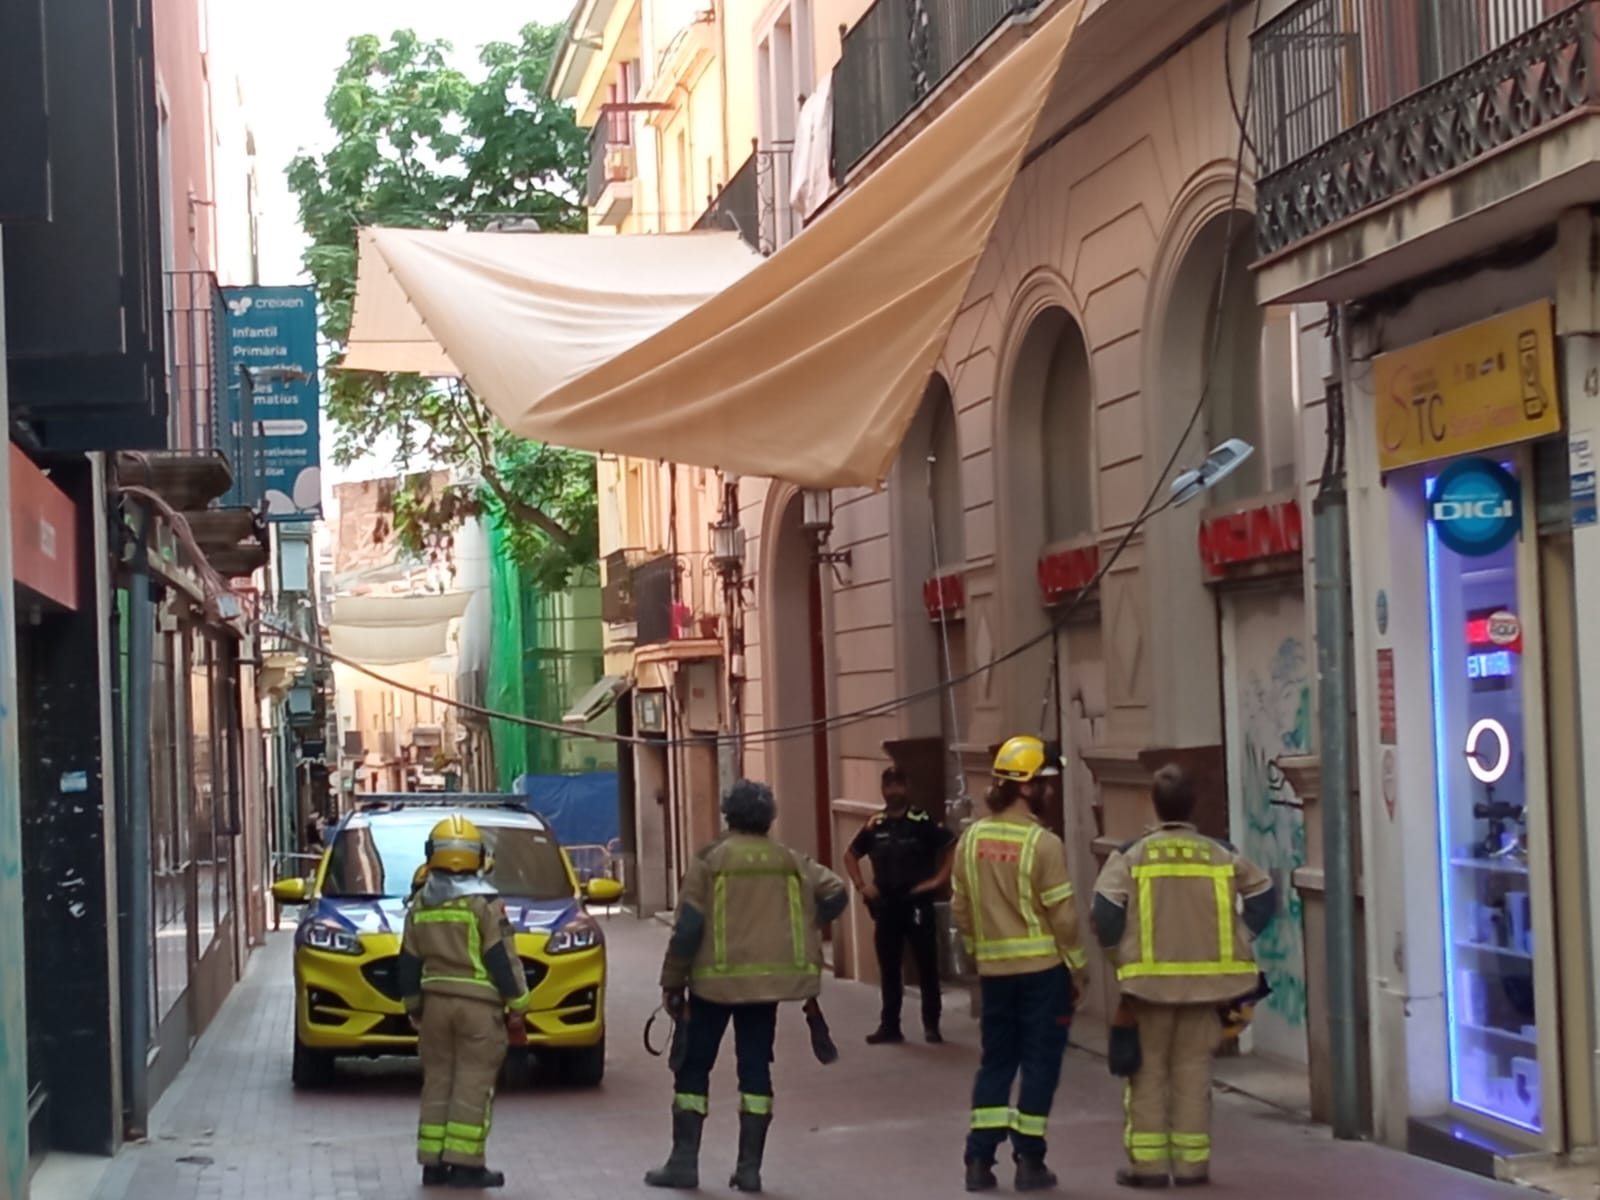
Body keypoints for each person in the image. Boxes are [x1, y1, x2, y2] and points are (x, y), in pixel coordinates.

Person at [646, 779, 849, 1193]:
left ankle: (684, 1162)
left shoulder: (710, 860)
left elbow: (687, 928)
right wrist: (811, 923)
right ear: (768, 817)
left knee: (693, 1068)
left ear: (728, 814)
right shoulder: (790, 860)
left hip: (712, 986)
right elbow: (837, 892)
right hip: (765, 987)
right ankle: (750, 1169)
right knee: (755, 1069)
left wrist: (672, 981)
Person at [1091, 764, 1276, 1189]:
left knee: (1149, 1074)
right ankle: (1193, 1166)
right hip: (1208, 987)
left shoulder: (1132, 853)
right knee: (1193, 1070)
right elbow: (1264, 893)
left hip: (1147, 988)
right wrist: (1241, 937)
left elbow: (1105, 911)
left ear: (1152, 804)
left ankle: (1149, 1168)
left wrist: (1121, 959)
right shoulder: (1220, 852)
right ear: (1193, 804)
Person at [953, 735, 1087, 1194]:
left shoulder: (970, 839)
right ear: (1027, 787)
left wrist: (979, 950)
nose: (1052, 789)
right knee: (1039, 1065)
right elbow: (1064, 918)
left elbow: (961, 910)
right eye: (1047, 781)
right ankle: (1030, 1162)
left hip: (994, 976)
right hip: (1042, 974)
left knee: (996, 1064)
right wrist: (1077, 967)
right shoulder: (1043, 845)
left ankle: (978, 1159)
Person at [397, 814, 531, 1190]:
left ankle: (433, 1163)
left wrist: (413, 1007)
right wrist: (519, 1002)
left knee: (438, 1080)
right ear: (478, 855)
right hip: (477, 1009)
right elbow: (499, 958)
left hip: (434, 1007)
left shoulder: (421, 903)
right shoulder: (484, 903)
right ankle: (467, 1165)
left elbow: (407, 961)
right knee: (473, 1082)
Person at [844, 765, 956, 1044]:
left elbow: (952, 845)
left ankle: (932, 1025)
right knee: (889, 968)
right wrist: (861, 885)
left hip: (917, 902)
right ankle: (890, 1026)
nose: (893, 791)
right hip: (886, 904)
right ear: (883, 789)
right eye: (888, 785)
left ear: (907, 787)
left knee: (926, 965)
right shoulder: (875, 824)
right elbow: (851, 854)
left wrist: (939, 880)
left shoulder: (922, 821)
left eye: (898, 785)